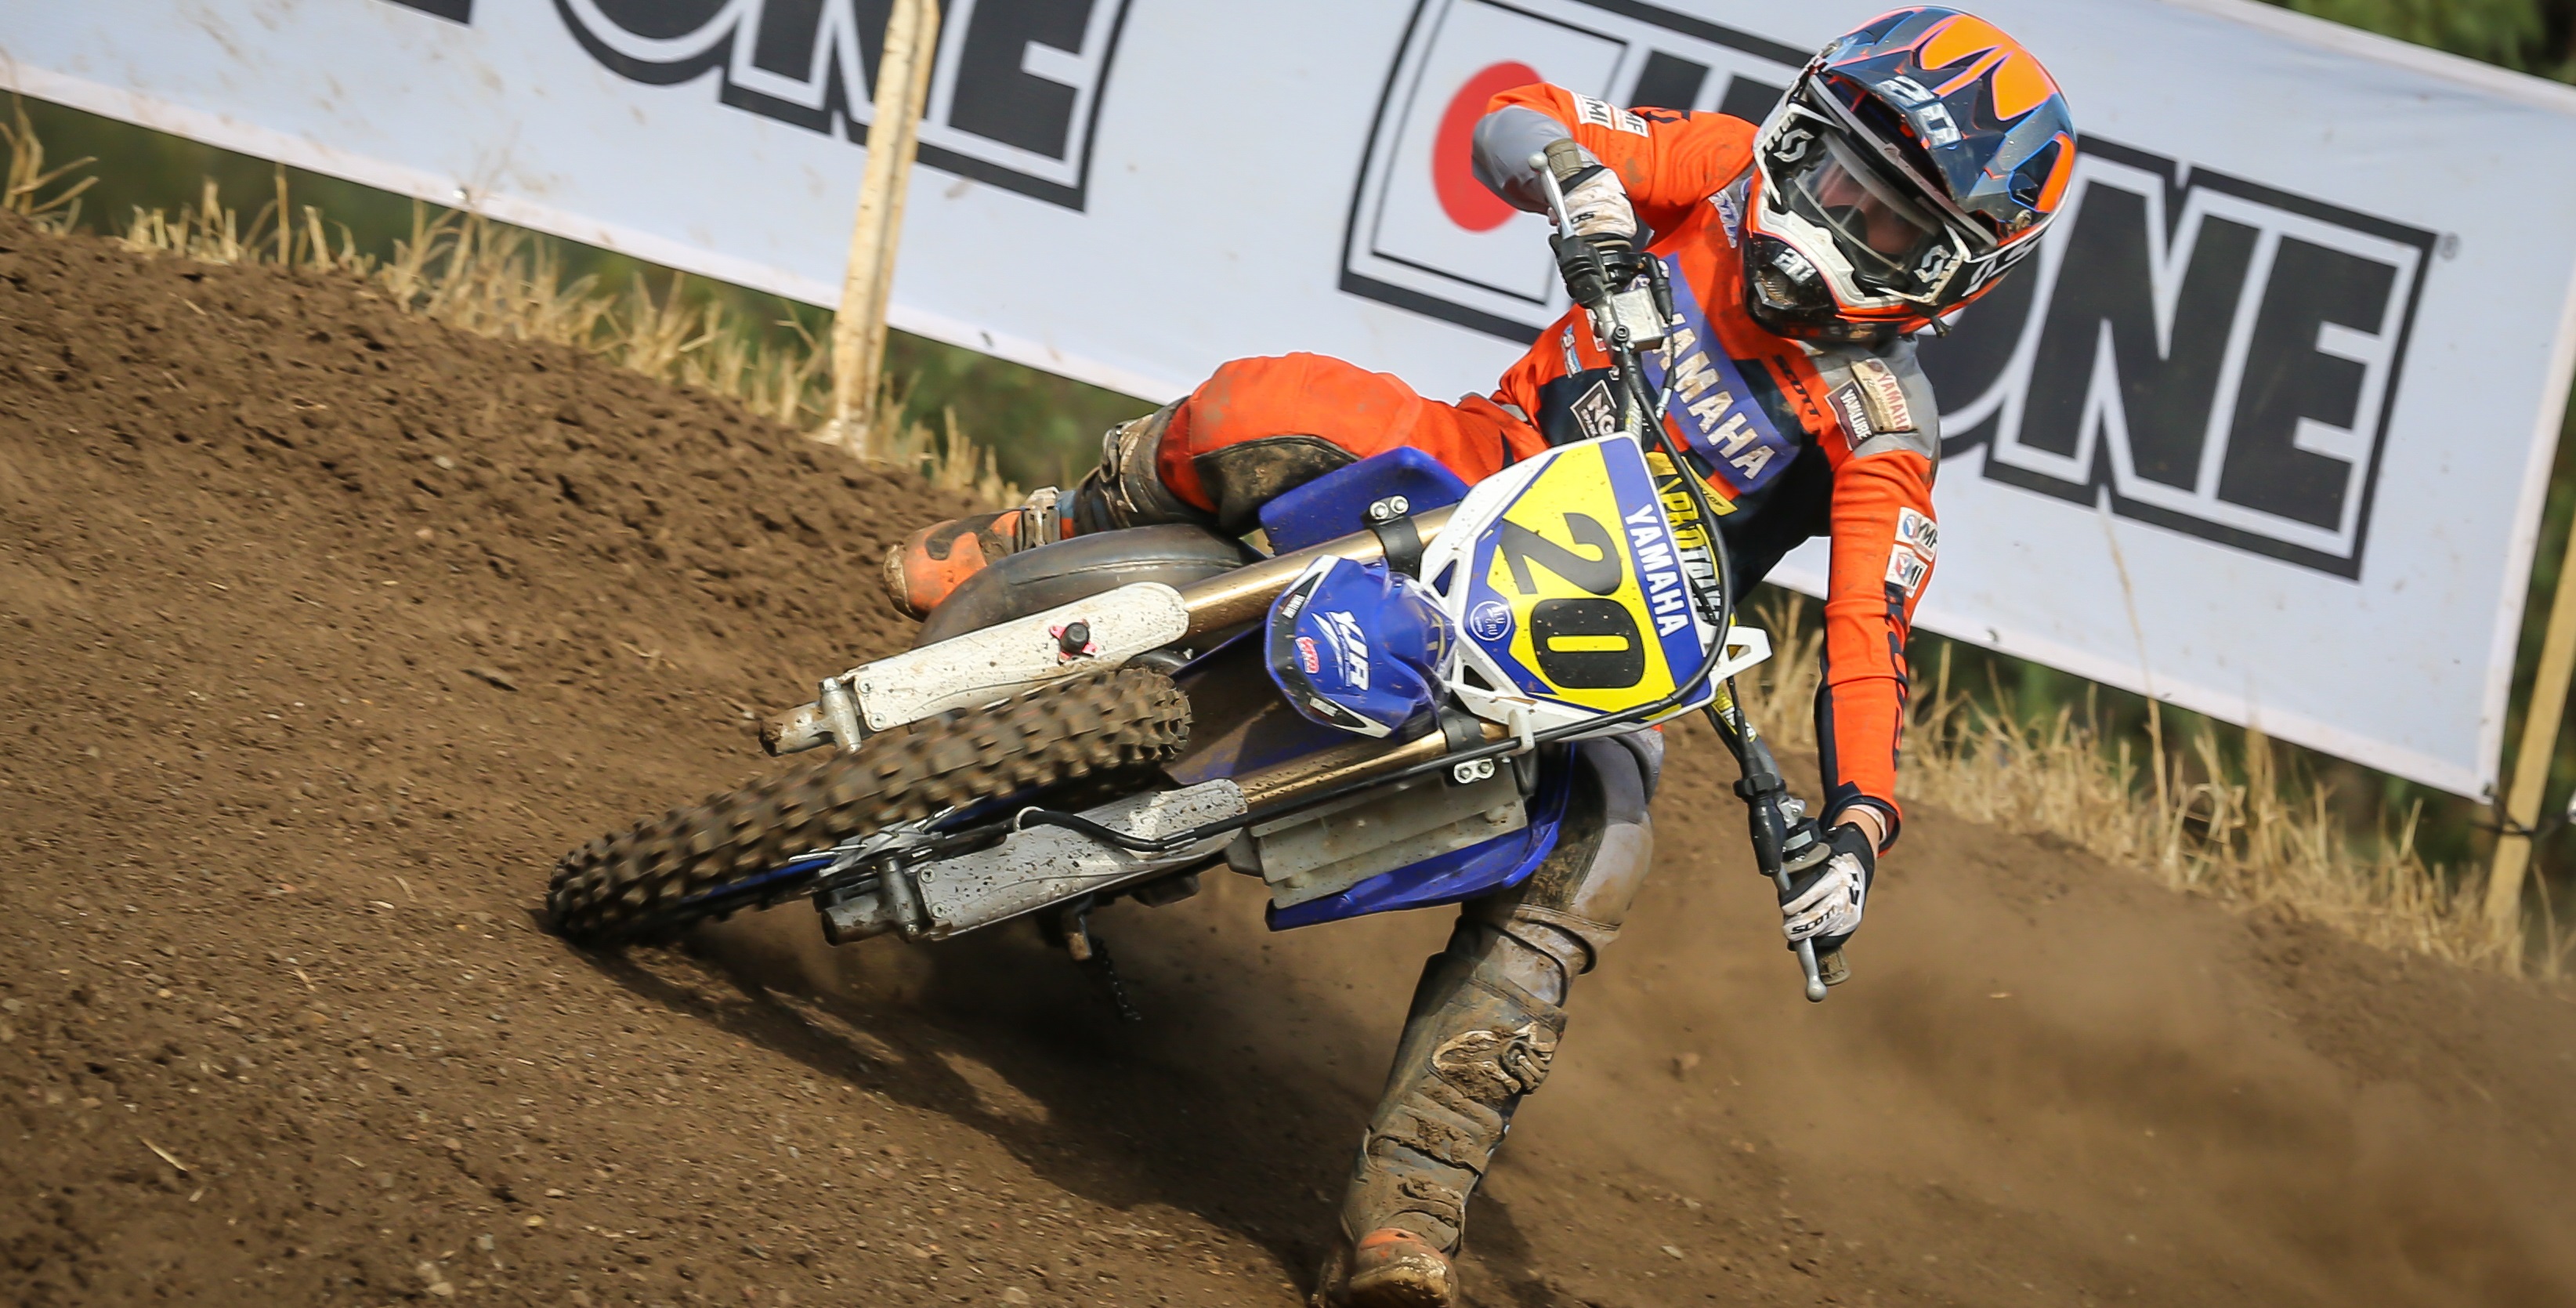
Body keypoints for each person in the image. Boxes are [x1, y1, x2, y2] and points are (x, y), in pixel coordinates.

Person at [884, 9, 2075, 1305]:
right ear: (1799, 132)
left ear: (1953, 273)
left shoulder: (1880, 422)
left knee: (1598, 856)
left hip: (1606, 647)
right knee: (1265, 403)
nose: (1840, 213)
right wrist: (1580, 185)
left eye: (1890, 219)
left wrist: (1855, 825)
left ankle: (1407, 1209)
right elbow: (1515, 117)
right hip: (1476, 468)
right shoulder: (1724, 165)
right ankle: (1052, 531)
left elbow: (1868, 630)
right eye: (1837, 170)